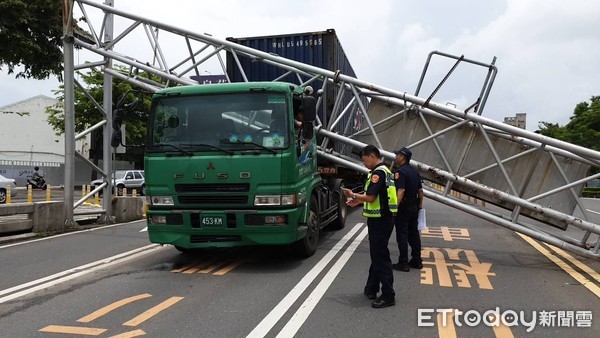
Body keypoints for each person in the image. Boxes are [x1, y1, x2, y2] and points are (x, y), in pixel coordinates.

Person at [343, 145, 398, 308]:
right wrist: (358, 201)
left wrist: (352, 194)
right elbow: (376, 197)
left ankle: (388, 295)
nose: (364, 163)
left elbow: (371, 196)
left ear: (372, 156)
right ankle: (371, 288)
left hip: (380, 220)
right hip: (384, 218)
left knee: (380, 257)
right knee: (377, 255)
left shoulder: (378, 173)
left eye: (364, 159)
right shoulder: (386, 171)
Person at [392, 147, 424, 272]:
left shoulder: (400, 172)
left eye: (397, 155)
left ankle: (403, 263)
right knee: (414, 234)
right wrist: (420, 206)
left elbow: (401, 191)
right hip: (414, 206)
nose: (395, 157)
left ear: (402, 157)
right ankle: (417, 260)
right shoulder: (414, 171)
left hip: (404, 207)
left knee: (402, 235)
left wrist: (395, 208)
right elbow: (420, 191)